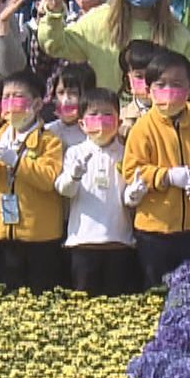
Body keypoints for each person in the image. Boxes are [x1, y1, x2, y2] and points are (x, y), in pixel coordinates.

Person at [37, 0, 190, 92]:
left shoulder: (176, 32)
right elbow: (55, 45)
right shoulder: (98, 20)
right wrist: (54, 14)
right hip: (109, 120)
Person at [120, 50, 190, 285]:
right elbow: (132, 169)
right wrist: (166, 176)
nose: (169, 91)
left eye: (177, 84)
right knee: (156, 291)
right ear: (149, 89)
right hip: (154, 229)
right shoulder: (143, 128)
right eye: (161, 84)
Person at [0, 70, 66, 291]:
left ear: (36, 104)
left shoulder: (49, 141)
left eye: (16, 97)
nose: (9, 103)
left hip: (40, 235)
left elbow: (48, 178)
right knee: (8, 295)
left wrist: (17, 162)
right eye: (5, 97)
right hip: (6, 232)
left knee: (40, 295)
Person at [53, 87, 135, 294]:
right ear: (81, 123)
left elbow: (129, 196)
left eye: (108, 115)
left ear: (119, 121)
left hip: (119, 241)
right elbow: (64, 190)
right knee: (84, 304)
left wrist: (135, 193)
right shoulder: (75, 152)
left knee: (119, 304)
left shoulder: (126, 153)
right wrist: (74, 175)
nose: (100, 120)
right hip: (83, 242)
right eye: (93, 115)